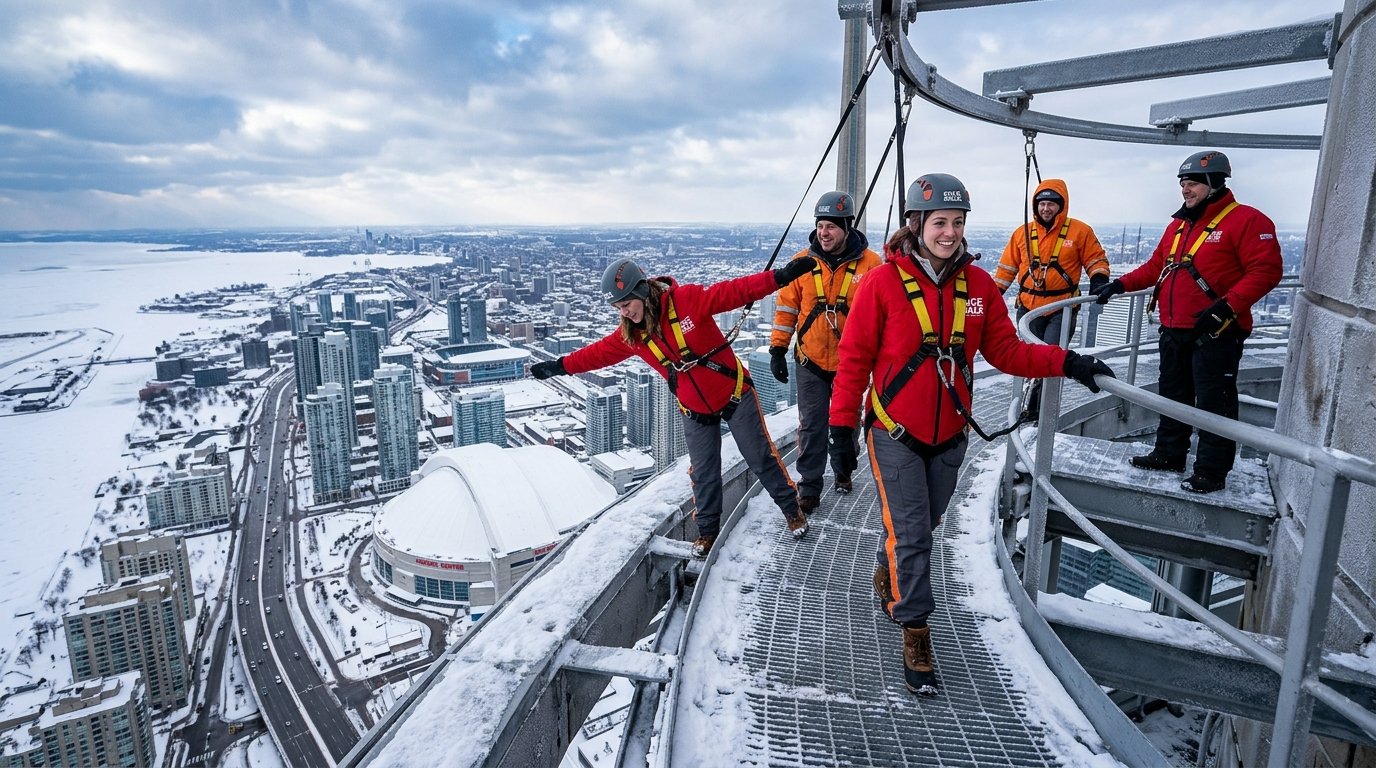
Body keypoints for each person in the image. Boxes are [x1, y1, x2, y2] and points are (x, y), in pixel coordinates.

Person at [825, 173, 1114, 697]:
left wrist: (1067, 362)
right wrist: (841, 432)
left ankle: (889, 563)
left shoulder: (977, 289)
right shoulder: (881, 285)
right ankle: (916, 630)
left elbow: (1008, 351)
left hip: (951, 436)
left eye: (958, 223)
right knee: (914, 535)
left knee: (923, 526)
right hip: (895, 432)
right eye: (940, 223)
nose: (950, 233)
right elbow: (853, 363)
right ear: (915, 224)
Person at [531, 256, 817, 558]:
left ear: (642, 290)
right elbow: (597, 354)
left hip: (734, 393)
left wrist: (779, 277)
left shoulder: (686, 302)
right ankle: (707, 533)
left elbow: (734, 292)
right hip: (694, 409)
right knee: (704, 473)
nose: (623, 312)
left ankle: (791, 510)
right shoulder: (633, 336)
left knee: (759, 456)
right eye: (618, 308)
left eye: (626, 304)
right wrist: (559, 366)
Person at [1091, 150, 1282, 494]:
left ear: (1213, 184)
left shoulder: (1247, 221)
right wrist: (1119, 285)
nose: (1185, 190)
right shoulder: (1178, 226)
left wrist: (1226, 308)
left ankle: (1210, 471)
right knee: (1173, 396)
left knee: (1214, 403)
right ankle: (1169, 453)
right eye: (1183, 183)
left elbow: (1266, 271)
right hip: (1175, 328)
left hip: (1218, 332)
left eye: (1192, 183)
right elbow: (1154, 268)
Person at [769, 191, 883, 512]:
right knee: (812, 424)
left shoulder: (872, 266)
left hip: (852, 362)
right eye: (820, 225)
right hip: (811, 359)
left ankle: (844, 467)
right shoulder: (802, 262)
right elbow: (787, 309)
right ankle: (809, 486)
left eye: (831, 226)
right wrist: (778, 348)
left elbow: (883, 313)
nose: (824, 232)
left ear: (847, 227)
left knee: (846, 421)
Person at [995, 179, 1110, 414]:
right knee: (1030, 357)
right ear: (1035, 206)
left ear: (1062, 206)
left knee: (1050, 355)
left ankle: (1038, 410)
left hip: (1061, 308)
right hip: (1028, 306)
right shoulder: (1022, 233)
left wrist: (1099, 280)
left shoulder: (1080, 231)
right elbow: (1007, 269)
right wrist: (993, 294)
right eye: (1042, 204)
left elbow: (1095, 259)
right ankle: (1031, 404)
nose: (1045, 208)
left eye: (1051, 204)